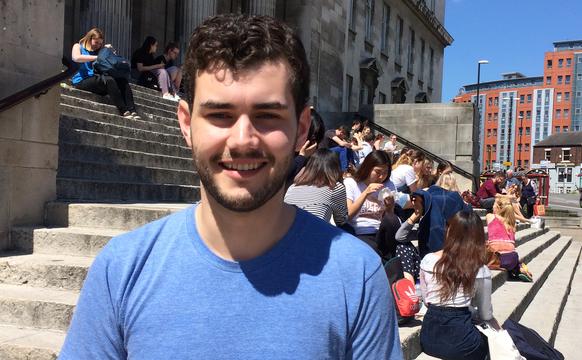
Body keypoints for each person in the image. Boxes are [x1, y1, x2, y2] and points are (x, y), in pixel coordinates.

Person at [60, 14, 402, 359]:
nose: (242, 141)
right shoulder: (120, 270)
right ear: (186, 124)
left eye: (267, 115)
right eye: (219, 115)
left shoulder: (357, 277)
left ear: (301, 128)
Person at [419, 211, 500, 360]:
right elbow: (485, 314)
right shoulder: (480, 270)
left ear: (450, 231)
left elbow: (426, 300)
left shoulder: (428, 261)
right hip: (463, 341)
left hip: (429, 337)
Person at [70, 28, 140, 120]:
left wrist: (107, 53)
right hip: (81, 81)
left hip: (97, 80)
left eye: (100, 43)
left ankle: (132, 110)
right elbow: (76, 58)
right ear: (89, 38)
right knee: (109, 80)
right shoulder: (78, 46)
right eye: (96, 42)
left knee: (122, 80)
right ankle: (123, 111)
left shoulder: (99, 51)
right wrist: (97, 57)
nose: (98, 45)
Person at [344, 150, 396, 251]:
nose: (381, 177)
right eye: (377, 172)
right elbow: (348, 215)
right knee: (373, 249)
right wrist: (365, 193)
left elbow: (389, 218)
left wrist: (390, 208)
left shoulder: (388, 185)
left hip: (382, 230)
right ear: (368, 168)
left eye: (385, 173)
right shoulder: (351, 183)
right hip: (361, 231)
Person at [285, 149, 347, 227]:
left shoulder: (293, 186)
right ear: (336, 168)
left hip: (285, 232)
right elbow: (341, 220)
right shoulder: (335, 187)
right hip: (312, 232)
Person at [486, 198, 532, 282]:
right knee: (511, 255)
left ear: (497, 208)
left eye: (494, 204)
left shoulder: (490, 217)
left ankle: (517, 268)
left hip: (495, 258)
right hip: (513, 258)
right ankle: (519, 269)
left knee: (486, 246)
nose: (492, 206)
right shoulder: (511, 224)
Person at [132, 36, 180, 101]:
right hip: (138, 75)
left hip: (148, 74)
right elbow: (140, 68)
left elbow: (152, 68)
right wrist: (157, 66)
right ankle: (165, 93)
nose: (156, 48)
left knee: (165, 71)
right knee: (163, 71)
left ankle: (173, 93)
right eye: (155, 45)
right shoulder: (140, 52)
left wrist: (157, 67)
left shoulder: (150, 55)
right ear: (151, 45)